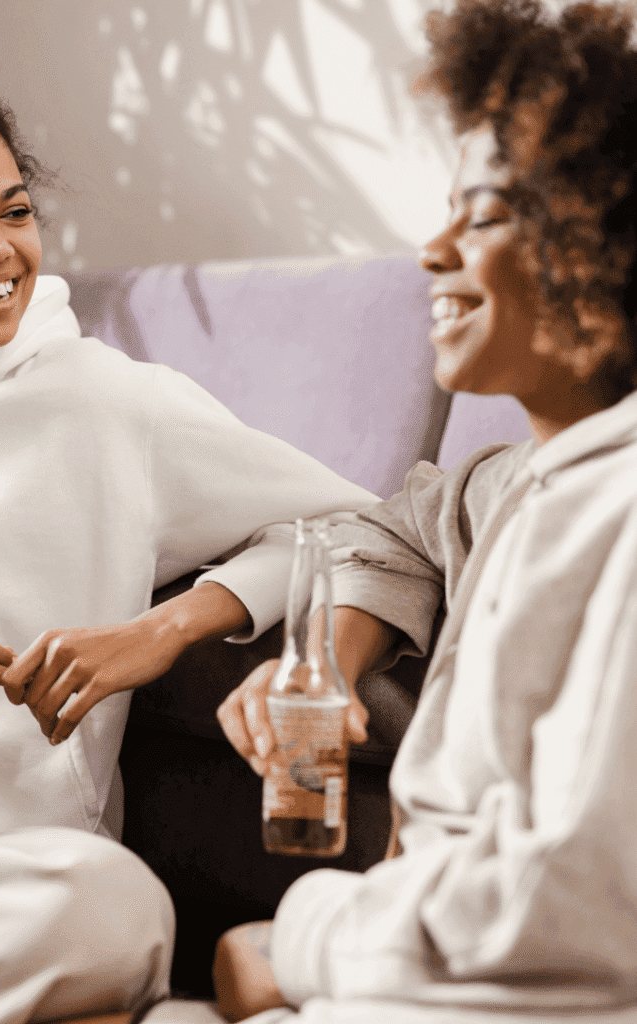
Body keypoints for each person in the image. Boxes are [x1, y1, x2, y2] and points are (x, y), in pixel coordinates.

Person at [0, 13, 380, 1024]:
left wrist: (167, 626)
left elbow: (358, 531)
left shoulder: (99, 402)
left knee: (116, 910)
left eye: (14, 210)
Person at [214, 1, 637, 1021]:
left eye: (484, 214)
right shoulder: (528, 480)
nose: (432, 251)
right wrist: (321, 663)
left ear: (600, 245)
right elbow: (391, 524)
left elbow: (571, 904)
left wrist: (309, 935)